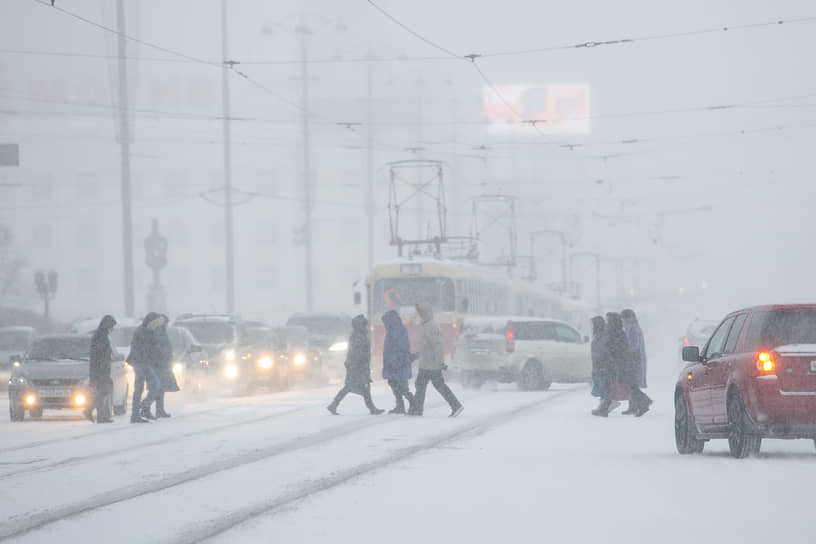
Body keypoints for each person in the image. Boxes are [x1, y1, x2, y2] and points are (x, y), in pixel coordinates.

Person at [407, 303, 463, 418]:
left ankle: (455, 405)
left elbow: (438, 345)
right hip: (427, 363)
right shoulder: (426, 325)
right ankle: (454, 405)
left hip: (431, 364)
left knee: (427, 385)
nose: (420, 315)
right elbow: (425, 346)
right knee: (428, 385)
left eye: (421, 313)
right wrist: (416, 355)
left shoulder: (431, 326)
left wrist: (440, 362)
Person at [327, 314, 385, 415]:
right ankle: (371, 408)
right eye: (365, 325)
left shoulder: (358, 335)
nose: (367, 327)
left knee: (353, 387)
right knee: (357, 387)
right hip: (357, 367)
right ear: (360, 325)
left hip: (356, 366)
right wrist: (361, 365)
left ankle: (334, 405)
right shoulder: (358, 337)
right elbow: (358, 353)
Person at [127, 312, 163, 423]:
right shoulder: (141, 332)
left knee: (149, 387)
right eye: (155, 323)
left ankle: (140, 410)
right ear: (150, 322)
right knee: (146, 387)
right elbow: (139, 349)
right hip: (140, 363)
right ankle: (139, 411)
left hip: (144, 363)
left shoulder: (150, 332)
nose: (156, 326)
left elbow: (153, 348)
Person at [381, 310, 414, 414]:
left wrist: (393, 361)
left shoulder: (396, 330)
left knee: (400, 386)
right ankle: (401, 405)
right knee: (395, 384)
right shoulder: (394, 329)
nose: (385, 325)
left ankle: (413, 403)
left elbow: (399, 348)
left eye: (385, 322)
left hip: (397, 364)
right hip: (394, 363)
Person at [621, 309, 652, 416]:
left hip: (634, 360)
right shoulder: (633, 327)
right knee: (632, 384)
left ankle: (645, 401)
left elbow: (634, 346)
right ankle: (633, 407)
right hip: (635, 360)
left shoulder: (632, 329)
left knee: (632, 384)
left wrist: (625, 350)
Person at [86, 315, 117, 423]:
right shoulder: (101, 337)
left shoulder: (101, 336)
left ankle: (101, 416)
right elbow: (99, 356)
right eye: (111, 327)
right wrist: (101, 369)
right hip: (101, 369)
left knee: (103, 391)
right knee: (104, 391)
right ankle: (89, 409)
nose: (112, 329)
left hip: (101, 368)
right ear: (107, 326)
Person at [590, 315, 619, 417]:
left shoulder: (604, 335)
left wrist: (604, 363)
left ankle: (604, 408)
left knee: (605, 388)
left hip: (604, 365)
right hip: (600, 365)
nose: (591, 326)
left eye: (593, 324)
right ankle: (602, 407)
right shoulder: (599, 335)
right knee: (604, 388)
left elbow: (606, 351)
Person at [151, 315, 179, 418]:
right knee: (158, 388)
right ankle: (146, 407)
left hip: (162, 364)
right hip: (160, 365)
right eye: (166, 323)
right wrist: (165, 356)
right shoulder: (159, 333)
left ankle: (159, 409)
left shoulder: (160, 332)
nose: (167, 325)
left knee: (160, 388)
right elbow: (160, 348)